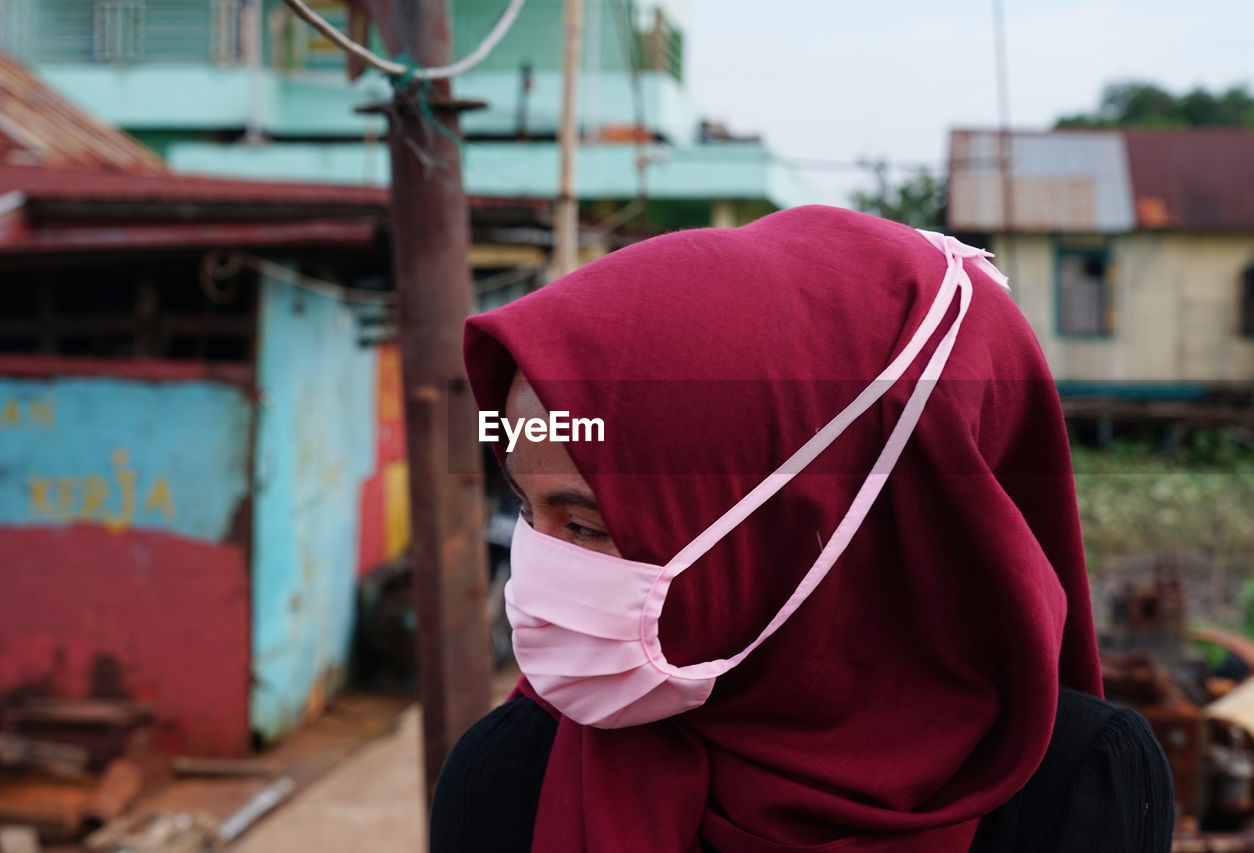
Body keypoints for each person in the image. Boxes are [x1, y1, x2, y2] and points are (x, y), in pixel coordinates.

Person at [431, 206, 1174, 852]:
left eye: (587, 524)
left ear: (800, 524)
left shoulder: (1070, 785)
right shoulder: (512, 772)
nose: (536, 573)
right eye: (528, 509)